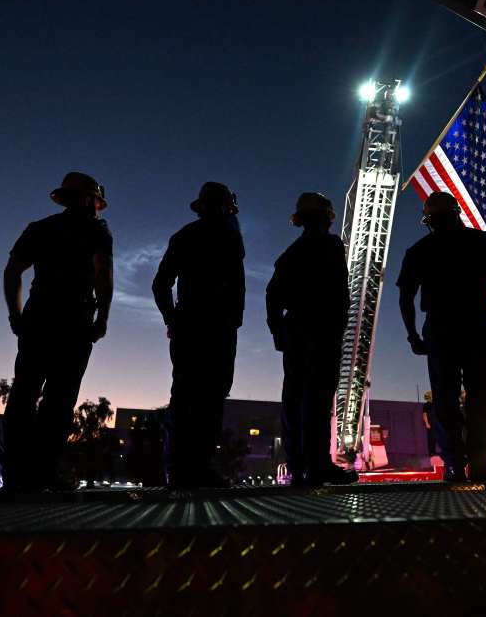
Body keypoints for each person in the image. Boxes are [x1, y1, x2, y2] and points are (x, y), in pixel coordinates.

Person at [0, 172, 113, 492]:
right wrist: (102, 318)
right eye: (96, 202)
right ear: (90, 199)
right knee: (59, 399)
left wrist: (16, 314)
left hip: (39, 317)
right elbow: (104, 276)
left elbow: (12, 272)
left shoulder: (40, 229)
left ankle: (14, 475)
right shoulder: (97, 232)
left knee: (24, 394)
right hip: (74, 320)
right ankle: (41, 472)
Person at [397, 192, 486, 482]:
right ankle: (481, 462)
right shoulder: (480, 241)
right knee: (482, 396)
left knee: (446, 399)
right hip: (476, 325)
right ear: (456, 213)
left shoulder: (420, 249)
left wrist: (412, 334)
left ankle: (454, 465)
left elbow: (406, 297)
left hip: (440, 329)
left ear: (429, 220)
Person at [152, 182, 245, 489]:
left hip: (202, 328)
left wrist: (173, 319)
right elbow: (161, 284)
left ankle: (186, 470)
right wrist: (174, 320)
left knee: (198, 398)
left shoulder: (189, 237)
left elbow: (161, 285)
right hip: (208, 329)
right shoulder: (227, 238)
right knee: (197, 399)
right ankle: (187, 470)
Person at [266, 193, 357, 487]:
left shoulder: (289, 255)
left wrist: (279, 333)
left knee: (293, 397)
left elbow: (272, 296)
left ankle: (298, 466)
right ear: (326, 217)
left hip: (295, 330)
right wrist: (339, 326)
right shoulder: (331, 246)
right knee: (317, 399)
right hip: (322, 330)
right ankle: (317, 466)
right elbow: (342, 295)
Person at [422, 391, 437, 458]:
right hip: (430, 424)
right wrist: (427, 423)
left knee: (438, 438)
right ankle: (432, 453)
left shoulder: (435, 404)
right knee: (431, 439)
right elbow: (424, 415)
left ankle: (436, 452)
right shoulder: (426, 405)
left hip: (436, 423)